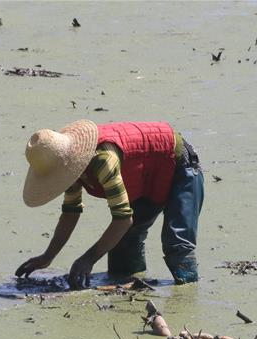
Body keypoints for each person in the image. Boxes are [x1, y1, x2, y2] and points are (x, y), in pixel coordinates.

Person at [15, 120, 204, 289]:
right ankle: (133, 291)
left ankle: (189, 295)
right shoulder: (70, 171)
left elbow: (123, 220)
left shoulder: (103, 161)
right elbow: (71, 212)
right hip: (143, 176)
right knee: (122, 248)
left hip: (179, 165)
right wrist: (48, 256)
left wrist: (88, 259)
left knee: (177, 245)